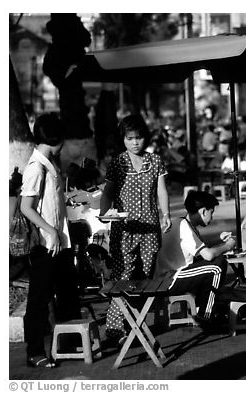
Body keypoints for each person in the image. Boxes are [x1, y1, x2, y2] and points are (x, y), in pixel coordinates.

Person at [99, 114, 172, 342]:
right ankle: (114, 329)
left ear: (145, 138)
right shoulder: (118, 163)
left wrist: (166, 214)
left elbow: (161, 191)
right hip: (124, 231)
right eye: (130, 138)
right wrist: (104, 214)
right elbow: (108, 193)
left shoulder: (156, 161)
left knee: (145, 279)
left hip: (150, 228)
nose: (134, 142)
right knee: (123, 277)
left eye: (138, 137)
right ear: (123, 139)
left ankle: (134, 324)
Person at [20, 113, 81, 368]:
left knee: (67, 294)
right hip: (45, 245)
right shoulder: (36, 167)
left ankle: (69, 343)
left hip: (60, 243)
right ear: (58, 138)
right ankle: (34, 352)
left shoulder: (50, 163)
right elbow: (26, 207)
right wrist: (51, 230)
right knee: (39, 300)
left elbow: (51, 203)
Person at [155, 191, 234, 325]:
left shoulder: (182, 222)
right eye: (211, 212)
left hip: (170, 274)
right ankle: (206, 316)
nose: (212, 217)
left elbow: (200, 248)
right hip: (170, 279)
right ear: (203, 211)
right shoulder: (185, 227)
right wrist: (228, 246)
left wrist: (218, 239)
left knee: (217, 262)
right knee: (216, 266)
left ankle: (203, 306)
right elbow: (208, 255)